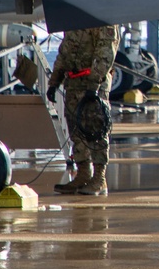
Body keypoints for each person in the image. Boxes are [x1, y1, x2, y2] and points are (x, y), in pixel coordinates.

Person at [46, 25, 119, 196]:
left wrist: (94, 84)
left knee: (95, 128)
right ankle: (83, 173)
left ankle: (100, 178)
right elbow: (65, 50)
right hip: (73, 82)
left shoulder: (101, 19)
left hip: (92, 84)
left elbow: (105, 53)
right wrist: (54, 81)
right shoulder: (75, 20)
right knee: (75, 130)